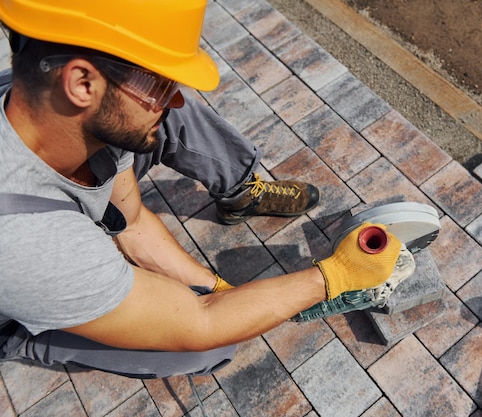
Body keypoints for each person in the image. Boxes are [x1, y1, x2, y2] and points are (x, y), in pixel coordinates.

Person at [0, 0, 403, 380]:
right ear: (82, 83)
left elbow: (131, 223)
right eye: (159, 85)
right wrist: (335, 276)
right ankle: (30, 335)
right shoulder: (28, 243)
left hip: (50, 226)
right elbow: (201, 323)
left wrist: (214, 288)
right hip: (24, 276)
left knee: (158, 122)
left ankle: (240, 194)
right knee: (200, 348)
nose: (174, 97)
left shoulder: (59, 109)